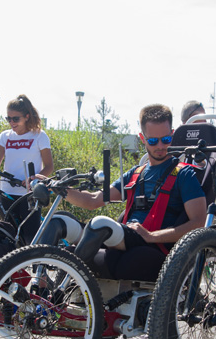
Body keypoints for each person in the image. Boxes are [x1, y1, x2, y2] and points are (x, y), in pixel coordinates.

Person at [64, 104, 207, 281]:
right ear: (142, 138)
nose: (161, 146)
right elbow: (94, 200)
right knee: (65, 241)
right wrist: (60, 190)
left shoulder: (184, 174)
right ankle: (45, 299)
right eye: (153, 141)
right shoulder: (135, 173)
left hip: (154, 252)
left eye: (166, 139)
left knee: (102, 227)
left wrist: (151, 236)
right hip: (124, 243)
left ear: (173, 133)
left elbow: (199, 222)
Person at [0, 94, 53, 243]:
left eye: (15, 119)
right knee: (9, 237)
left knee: (30, 238)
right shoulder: (5, 136)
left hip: (29, 195)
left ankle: (37, 266)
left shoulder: (39, 136)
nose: (11, 122)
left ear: (27, 117)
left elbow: (49, 167)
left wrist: (34, 179)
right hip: (7, 192)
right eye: (8, 119)